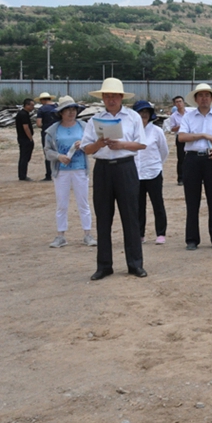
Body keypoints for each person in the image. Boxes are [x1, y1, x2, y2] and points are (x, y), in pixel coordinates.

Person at [80, 78, 147, 280]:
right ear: (102, 98)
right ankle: (104, 266)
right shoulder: (94, 120)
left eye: (114, 96)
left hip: (125, 167)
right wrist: (99, 144)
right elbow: (86, 148)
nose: (111, 99)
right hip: (103, 169)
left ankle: (135, 264)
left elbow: (141, 144)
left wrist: (122, 145)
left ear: (121, 97)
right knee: (103, 218)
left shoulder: (133, 117)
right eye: (107, 96)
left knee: (130, 217)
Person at [177, 83, 212, 251]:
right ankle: (192, 239)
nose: (204, 99)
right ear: (195, 99)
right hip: (192, 159)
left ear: (211, 98)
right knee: (192, 200)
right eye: (200, 95)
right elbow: (181, 137)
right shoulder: (188, 117)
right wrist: (202, 135)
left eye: (207, 95)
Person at [44, 96, 95, 248]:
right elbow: (47, 151)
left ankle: (88, 234)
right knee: (62, 203)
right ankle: (61, 235)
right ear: (61, 112)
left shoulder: (84, 127)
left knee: (83, 203)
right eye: (68, 110)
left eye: (74, 109)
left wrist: (84, 145)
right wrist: (58, 156)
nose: (71, 112)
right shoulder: (53, 131)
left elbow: (92, 145)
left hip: (80, 168)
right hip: (61, 171)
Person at [133, 100, 169, 246]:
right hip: (136, 173)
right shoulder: (131, 131)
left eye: (146, 113)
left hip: (153, 172)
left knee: (157, 203)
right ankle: (139, 234)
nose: (144, 116)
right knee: (138, 205)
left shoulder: (156, 131)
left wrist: (157, 164)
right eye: (141, 113)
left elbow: (164, 151)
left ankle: (160, 233)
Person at [35, 92, 57, 181]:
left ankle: (49, 174)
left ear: (42, 100)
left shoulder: (41, 109)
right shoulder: (57, 107)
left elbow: (39, 124)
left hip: (47, 133)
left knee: (48, 153)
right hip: (58, 132)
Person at [166, 95, 188, 186]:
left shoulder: (190, 113)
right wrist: (180, 126)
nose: (179, 103)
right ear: (174, 104)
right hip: (180, 137)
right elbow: (172, 128)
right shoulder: (173, 116)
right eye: (177, 102)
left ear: (183, 102)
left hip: (190, 137)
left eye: (180, 101)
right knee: (181, 158)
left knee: (192, 157)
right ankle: (181, 178)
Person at [15, 98, 35, 181]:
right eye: (31, 105)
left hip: (22, 138)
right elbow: (26, 127)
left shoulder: (23, 114)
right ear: (26, 105)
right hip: (25, 139)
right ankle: (22, 175)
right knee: (24, 157)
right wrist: (30, 138)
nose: (33, 107)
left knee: (25, 157)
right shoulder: (23, 115)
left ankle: (22, 174)